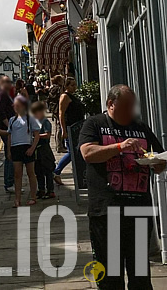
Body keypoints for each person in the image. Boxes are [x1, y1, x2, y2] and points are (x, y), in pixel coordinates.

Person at [79, 85, 166, 290]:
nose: (131, 111)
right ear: (111, 104)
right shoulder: (94, 124)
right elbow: (88, 153)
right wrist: (120, 146)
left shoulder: (140, 126)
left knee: (140, 277)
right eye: (126, 106)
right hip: (107, 211)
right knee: (110, 277)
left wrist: (156, 162)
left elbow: (159, 162)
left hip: (139, 210)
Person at [6, 95, 41, 207]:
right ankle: (17, 199)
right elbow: (9, 137)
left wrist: (32, 148)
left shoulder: (30, 118)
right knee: (17, 174)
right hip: (16, 148)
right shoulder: (12, 120)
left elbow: (36, 135)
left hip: (27, 147)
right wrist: (9, 151)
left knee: (31, 173)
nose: (15, 107)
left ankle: (33, 197)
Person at [54, 77, 86, 185]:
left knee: (76, 152)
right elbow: (61, 114)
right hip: (71, 128)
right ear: (66, 86)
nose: (74, 87)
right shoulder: (65, 96)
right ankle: (56, 172)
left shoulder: (73, 96)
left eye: (75, 85)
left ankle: (79, 173)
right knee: (72, 152)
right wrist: (64, 130)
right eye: (72, 85)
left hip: (78, 127)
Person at [0, 75, 16, 192]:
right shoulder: (2, 94)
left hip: (8, 129)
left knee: (10, 155)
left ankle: (10, 182)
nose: (10, 84)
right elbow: (1, 112)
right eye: (7, 82)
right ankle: (9, 183)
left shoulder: (5, 94)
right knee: (10, 155)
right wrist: (9, 127)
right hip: (6, 130)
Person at [31, 101, 56, 200]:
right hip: (36, 149)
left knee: (48, 171)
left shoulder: (45, 122)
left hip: (44, 149)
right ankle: (41, 189)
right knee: (38, 171)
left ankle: (50, 190)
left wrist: (37, 136)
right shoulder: (33, 122)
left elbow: (48, 134)